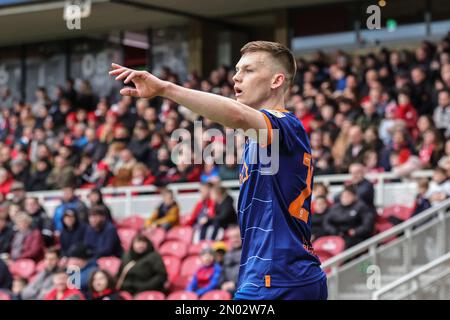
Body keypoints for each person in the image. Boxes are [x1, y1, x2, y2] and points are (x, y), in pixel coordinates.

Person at [110, 40, 327, 300]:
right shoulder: (256, 138)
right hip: (272, 275)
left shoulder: (285, 125)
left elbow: (236, 116)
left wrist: (166, 88)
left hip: (280, 277)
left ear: (276, 81)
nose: (236, 76)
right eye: (237, 69)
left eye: (248, 70)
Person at [220, 225, 242, 295]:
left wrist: (235, 283)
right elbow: (222, 271)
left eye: (237, 236)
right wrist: (222, 284)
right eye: (232, 237)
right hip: (227, 287)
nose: (234, 240)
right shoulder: (227, 254)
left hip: (241, 287)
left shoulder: (248, 253)